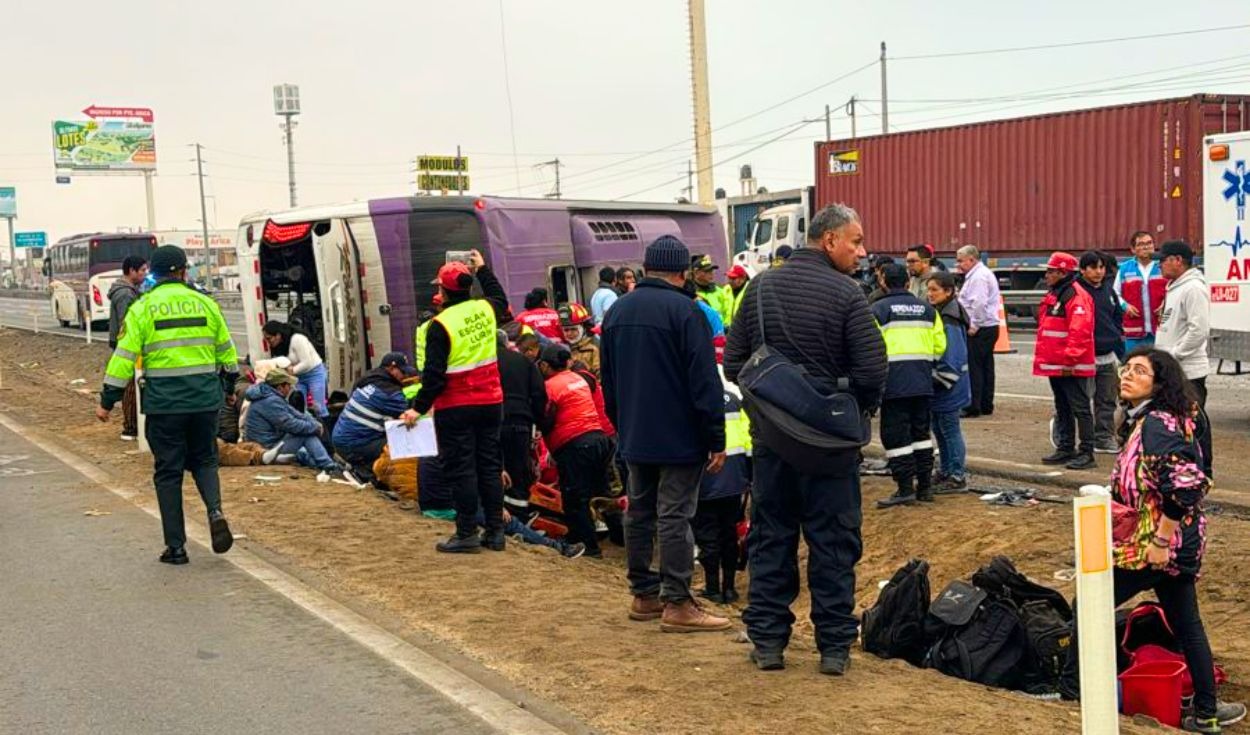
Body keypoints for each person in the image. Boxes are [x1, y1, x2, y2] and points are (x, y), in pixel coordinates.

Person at [725, 204, 888, 674]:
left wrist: (778, 402)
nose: (861, 252)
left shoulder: (757, 289)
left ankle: (770, 644)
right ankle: (834, 649)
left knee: (770, 539)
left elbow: (735, 364)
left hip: (772, 444)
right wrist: (849, 406)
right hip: (832, 448)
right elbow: (873, 368)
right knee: (833, 543)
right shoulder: (847, 295)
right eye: (855, 241)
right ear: (829, 240)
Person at [1059, 348, 1244, 734]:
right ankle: (1206, 713)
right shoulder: (1176, 416)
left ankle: (1075, 691)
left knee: (1089, 603)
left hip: (1156, 543)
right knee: (1185, 622)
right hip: (1178, 539)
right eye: (1126, 369)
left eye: (1139, 372)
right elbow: (1199, 471)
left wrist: (1161, 539)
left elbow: (1188, 486)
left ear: (1159, 384)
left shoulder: (1157, 425)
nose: (1126, 376)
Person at [601, 234, 730, 633]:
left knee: (639, 510)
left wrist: (624, 426)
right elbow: (705, 382)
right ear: (681, 272)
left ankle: (644, 595)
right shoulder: (687, 312)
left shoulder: (617, 313)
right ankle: (678, 602)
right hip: (680, 437)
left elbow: (610, 381)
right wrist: (716, 438)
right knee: (675, 514)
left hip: (636, 435)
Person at [96, 244, 237, 565]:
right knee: (205, 460)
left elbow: (123, 358)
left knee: (168, 472)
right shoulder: (206, 304)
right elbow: (227, 353)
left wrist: (107, 400)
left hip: (164, 405)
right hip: (204, 401)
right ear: (184, 271)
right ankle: (215, 511)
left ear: (154, 275)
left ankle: (176, 547)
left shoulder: (143, 308)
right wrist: (228, 389)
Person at [402, 249, 509, 554]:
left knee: (462, 469)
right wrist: (483, 270)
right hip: (491, 402)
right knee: (488, 466)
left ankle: (466, 533)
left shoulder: (440, 325)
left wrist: (417, 409)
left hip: (456, 406)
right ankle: (496, 532)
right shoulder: (485, 309)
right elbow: (499, 297)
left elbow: (434, 376)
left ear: (444, 290)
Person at [872, 264, 947, 508]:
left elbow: (869, 348)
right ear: (907, 283)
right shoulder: (928, 310)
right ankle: (924, 486)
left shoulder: (878, 310)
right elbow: (939, 347)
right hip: (923, 381)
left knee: (896, 436)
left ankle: (905, 487)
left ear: (884, 282)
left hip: (892, 383)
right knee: (921, 434)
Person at [536, 343, 611, 559]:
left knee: (575, 499)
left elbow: (547, 418)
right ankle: (620, 537)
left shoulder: (550, 387)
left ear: (545, 365)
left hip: (574, 444)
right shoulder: (577, 379)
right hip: (598, 439)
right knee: (601, 493)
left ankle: (588, 547)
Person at [1154, 240, 1213, 477]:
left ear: (1178, 260)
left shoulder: (1193, 288)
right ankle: (1184, 468)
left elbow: (1199, 330)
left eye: (1163, 260)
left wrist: (1175, 355)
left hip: (1187, 371)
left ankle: (1204, 470)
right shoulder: (1176, 286)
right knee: (1177, 424)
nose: (1160, 265)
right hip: (1173, 370)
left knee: (1194, 423)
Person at [1034, 252, 1097, 470]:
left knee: (1080, 408)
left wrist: (1069, 360)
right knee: (1063, 407)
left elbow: (1079, 331)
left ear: (1063, 272)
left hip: (1071, 365)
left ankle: (1087, 452)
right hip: (1058, 364)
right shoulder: (1058, 293)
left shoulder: (1074, 296)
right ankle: (1066, 447)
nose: (1047, 274)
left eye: (1051, 271)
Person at [694, 374, 751, 604]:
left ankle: (712, 588)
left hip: (705, 479)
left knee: (708, 536)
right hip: (734, 480)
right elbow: (749, 441)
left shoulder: (694, 402)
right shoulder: (734, 400)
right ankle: (729, 588)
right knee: (729, 534)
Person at [331, 352, 416, 486]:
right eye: (402, 372)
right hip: (352, 444)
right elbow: (411, 415)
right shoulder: (390, 393)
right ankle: (363, 472)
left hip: (340, 438)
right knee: (402, 440)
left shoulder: (369, 379)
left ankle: (354, 464)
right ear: (392, 369)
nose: (405, 376)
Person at [1076, 250, 1126, 454]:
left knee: (1106, 399)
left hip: (1107, 354)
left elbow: (1116, 316)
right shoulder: (1075, 291)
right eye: (1093, 267)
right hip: (1084, 355)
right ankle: (1073, 437)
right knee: (1080, 401)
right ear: (1083, 269)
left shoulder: (1108, 290)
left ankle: (1103, 437)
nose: (1098, 272)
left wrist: (1117, 338)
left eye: (1101, 267)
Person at [926, 271, 972, 493]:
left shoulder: (949, 319)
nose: (929, 294)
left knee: (949, 429)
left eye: (934, 290)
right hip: (945, 384)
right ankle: (946, 470)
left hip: (948, 386)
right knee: (940, 428)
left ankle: (956, 475)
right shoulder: (944, 313)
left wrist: (939, 380)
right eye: (929, 289)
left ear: (948, 291)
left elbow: (952, 356)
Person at [244, 368, 341, 471]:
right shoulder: (270, 401)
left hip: (272, 442)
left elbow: (296, 414)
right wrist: (314, 427)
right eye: (288, 385)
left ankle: (326, 465)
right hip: (266, 449)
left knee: (304, 451)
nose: (290, 388)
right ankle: (329, 466)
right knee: (306, 436)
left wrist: (314, 423)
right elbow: (292, 425)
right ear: (280, 387)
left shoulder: (271, 396)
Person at [498, 330, 547, 521]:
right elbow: (539, 395)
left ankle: (499, 512)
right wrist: (537, 423)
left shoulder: (483, 363)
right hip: (520, 423)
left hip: (492, 423)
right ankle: (519, 515)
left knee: (493, 468)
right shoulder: (523, 362)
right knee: (518, 471)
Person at [956, 245, 1003, 418]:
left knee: (975, 367)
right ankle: (985, 403)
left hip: (981, 328)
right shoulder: (979, 274)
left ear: (972, 259)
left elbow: (979, 303)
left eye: (961, 260)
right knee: (985, 366)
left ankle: (973, 405)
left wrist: (974, 325)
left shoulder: (978, 278)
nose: (958, 264)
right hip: (988, 327)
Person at [108, 255, 148, 441]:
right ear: (131, 271)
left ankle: (132, 425)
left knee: (131, 385)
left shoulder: (127, 291)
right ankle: (131, 427)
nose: (145, 274)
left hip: (124, 343)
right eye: (142, 270)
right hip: (128, 345)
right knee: (131, 387)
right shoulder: (125, 294)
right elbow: (128, 323)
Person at [262, 320, 329, 418]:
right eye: (266, 340)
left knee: (318, 407)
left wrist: (290, 371)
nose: (268, 342)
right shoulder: (278, 346)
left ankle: (325, 429)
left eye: (269, 338)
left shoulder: (297, 339)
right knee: (299, 409)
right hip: (298, 377)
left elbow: (307, 362)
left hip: (314, 373)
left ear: (278, 335)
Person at [1115, 231, 1167, 352]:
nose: (1146, 247)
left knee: (1160, 366)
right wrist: (1125, 305)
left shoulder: (1163, 266)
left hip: (1160, 330)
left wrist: (1166, 303)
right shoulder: (1124, 268)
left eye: (1149, 243)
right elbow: (1115, 293)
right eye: (1141, 244)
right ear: (1133, 249)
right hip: (1134, 331)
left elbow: (1174, 289)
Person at [691, 253, 734, 327]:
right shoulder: (690, 293)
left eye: (711, 270)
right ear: (696, 273)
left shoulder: (719, 291)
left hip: (720, 333)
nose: (711, 273)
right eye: (707, 271)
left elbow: (728, 313)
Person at [559, 303, 600, 378]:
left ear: (584, 329)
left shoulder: (593, 350)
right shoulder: (561, 350)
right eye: (566, 330)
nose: (569, 333)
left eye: (574, 329)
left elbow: (600, 377)